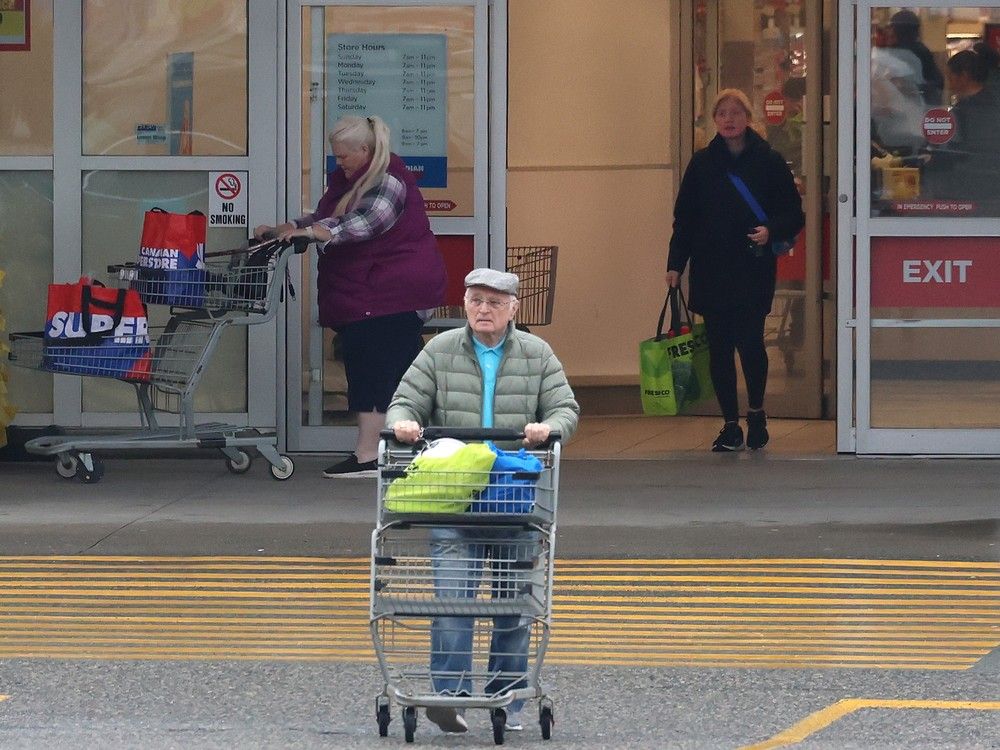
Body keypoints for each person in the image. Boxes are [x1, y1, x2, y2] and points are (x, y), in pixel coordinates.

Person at [386, 268, 579, 734]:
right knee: (453, 604)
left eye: (494, 302)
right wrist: (403, 423)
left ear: (514, 309)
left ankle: (504, 697)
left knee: (513, 609)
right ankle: (447, 697)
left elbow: (565, 408)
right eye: (475, 301)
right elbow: (404, 401)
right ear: (465, 304)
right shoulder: (440, 349)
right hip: (455, 498)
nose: (483, 310)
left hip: (514, 499)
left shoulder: (537, 354)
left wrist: (547, 428)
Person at [255, 115, 446, 478]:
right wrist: (293, 227)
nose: (338, 162)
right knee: (396, 373)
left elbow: (365, 222)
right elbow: (329, 216)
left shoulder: (389, 181)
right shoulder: (351, 181)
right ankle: (408, 450)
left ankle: (368, 455)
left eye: (343, 156)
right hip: (376, 293)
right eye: (335, 156)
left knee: (372, 372)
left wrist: (313, 233)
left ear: (365, 149)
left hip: (388, 294)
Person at [666, 89, 804, 452]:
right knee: (720, 348)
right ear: (714, 120)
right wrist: (675, 265)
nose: (729, 120)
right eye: (722, 114)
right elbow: (685, 219)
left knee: (751, 343)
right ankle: (730, 423)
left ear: (748, 118)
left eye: (735, 113)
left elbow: (793, 211)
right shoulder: (702, 164)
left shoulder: (768, 160)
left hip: (752, 264)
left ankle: (756, 412)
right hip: (711, 265)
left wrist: (771, 230)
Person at [887, 9, 944, 105]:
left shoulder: (915, 51)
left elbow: (936, 82)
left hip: (910, 105)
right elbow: (937, 82)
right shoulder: (920, 50)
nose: (890, 32)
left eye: (893, 28)